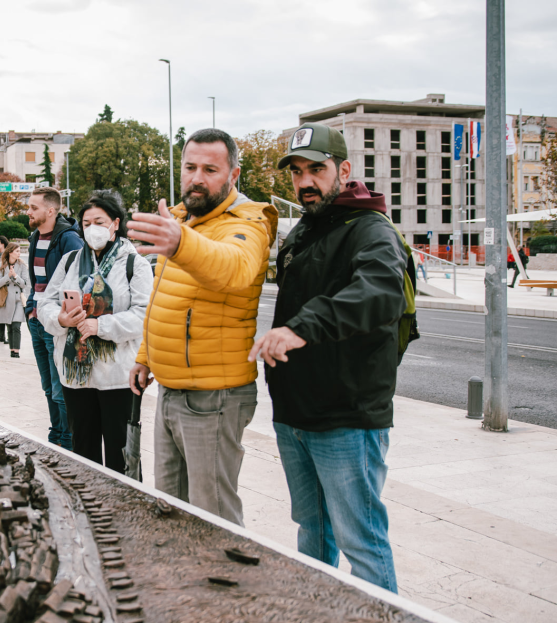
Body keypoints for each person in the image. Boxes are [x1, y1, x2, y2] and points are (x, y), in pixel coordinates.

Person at [249, 122, 404, 593]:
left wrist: (302, 327)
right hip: (295, 415)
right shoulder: (303, 233)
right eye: (296, 172)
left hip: (347, 418)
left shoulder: (370, 230)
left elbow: (379, 293)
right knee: (313, 532)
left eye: (316, 169)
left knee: (361, 541)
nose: (304, 182)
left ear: (344, 169)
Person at [127, 129, 277, 526]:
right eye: (190, 167)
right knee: (169, 507)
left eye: (210, 169)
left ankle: (228, 586)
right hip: (173, 389)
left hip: (215, 397)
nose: (197, 177)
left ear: (234, 175)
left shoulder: (246, 222)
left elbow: (234, 268)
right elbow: (166, 296)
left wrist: (181, 243)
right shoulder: (179, 220)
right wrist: (146, 356)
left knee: (213, 517)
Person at [38, 191, 152, 473]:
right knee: (83, 452)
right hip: (77, 377)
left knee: (121, 455)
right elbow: (45, 303)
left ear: (115, 223)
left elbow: (144, 314)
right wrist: (62, 319)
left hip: (118, 378)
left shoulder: (133, 263)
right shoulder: (70, 261)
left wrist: (100, 326)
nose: (92, 229)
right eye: (86, 223)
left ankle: (125, 511)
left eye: (98, 221)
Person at [25, 187, 84, 449]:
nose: (28, 211)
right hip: (36, 321)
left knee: (61, 391)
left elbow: (79, 282)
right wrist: (30, 308)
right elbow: (36, 282)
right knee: (48, 387)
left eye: (33, 207)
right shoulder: (35, 237)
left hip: (57, 324)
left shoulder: (69, 240)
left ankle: (68, 443)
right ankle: (55, 437)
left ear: (50, 210)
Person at [0, 243, 28, 358]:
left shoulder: (22, 265)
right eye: (17, 251)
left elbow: (24, 284)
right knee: (9, 325)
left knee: (16, 326)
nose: (19, 253)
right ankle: (12, 349)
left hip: (18, 300)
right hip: (6, 300)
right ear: (10, 252)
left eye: (19, 251)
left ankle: (16, 351)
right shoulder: (1, 265)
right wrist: (8, 276)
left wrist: (15, 276)